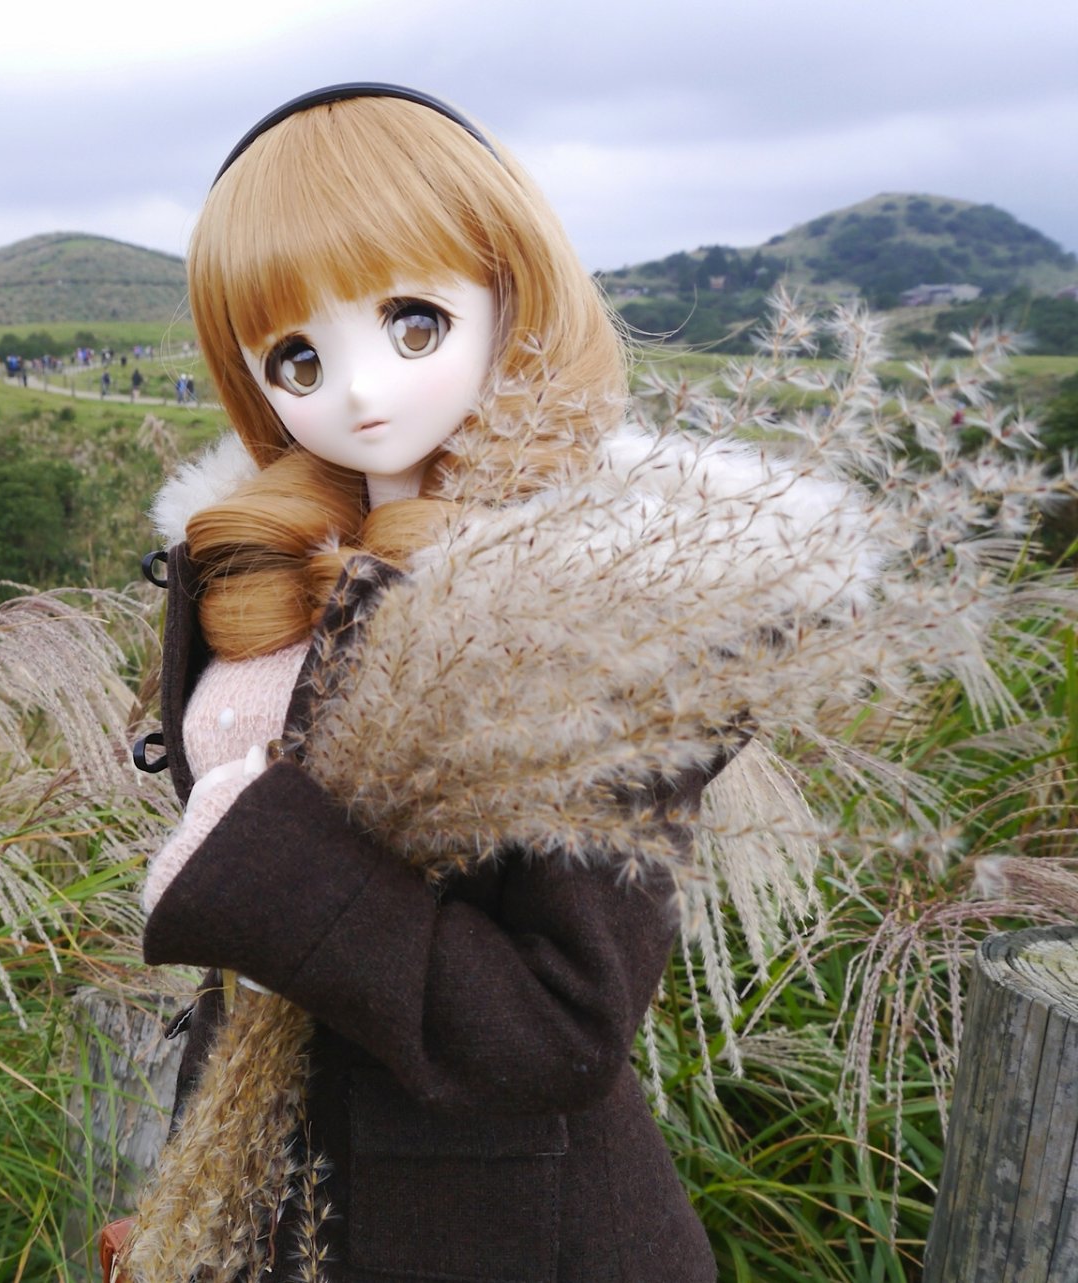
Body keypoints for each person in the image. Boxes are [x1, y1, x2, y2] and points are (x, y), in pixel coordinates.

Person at [120, 84, 882, 1283]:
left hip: (494, 1232)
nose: (360, 390)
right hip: (273, 1193)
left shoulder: (592, 609)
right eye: (299, 356)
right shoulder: (269, 557)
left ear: (512, 296)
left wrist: (267, 877)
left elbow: (560, 1022)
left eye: (414, 323)